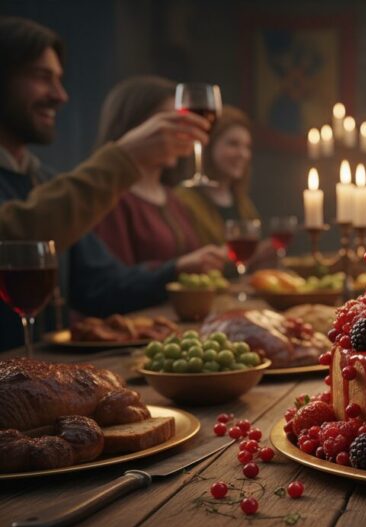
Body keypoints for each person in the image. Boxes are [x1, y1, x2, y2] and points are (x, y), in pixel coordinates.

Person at [0, 16, 219, 350]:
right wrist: (123, 158)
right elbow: (16, 235)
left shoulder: (43, 179)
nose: (60, 95)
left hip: (41, 382)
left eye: (59, 79)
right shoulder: (65, 189)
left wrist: (176, 270)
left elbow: (102, 285)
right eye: (42, 77)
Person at [92, 76, 225, 267]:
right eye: (168, 122)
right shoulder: (111, 201)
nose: (181, 132)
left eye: (182, 122)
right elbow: (113, 284)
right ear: (134, 127)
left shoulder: (172, 199)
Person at [175, 105, 262, 245]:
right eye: (233, 144)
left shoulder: (243, 204)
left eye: (247, 147)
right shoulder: (182, 201)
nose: (243, 154)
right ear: (208, 145)